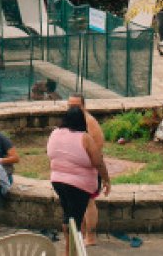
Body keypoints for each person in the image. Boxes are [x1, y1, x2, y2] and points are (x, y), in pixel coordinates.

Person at [48, 107, 103, 255]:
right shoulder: (84, 137)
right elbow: (98, 161)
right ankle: (72, 252)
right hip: (79, 186)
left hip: (58, 182)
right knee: (75, 221)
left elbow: (50, 154)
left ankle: (68, 250)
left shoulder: (55, 133)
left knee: (68, 216)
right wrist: (107, 179)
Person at [67, 94, 110, 246]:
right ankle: (83, 234)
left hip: (89, 168)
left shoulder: (89, 121)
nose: (72, 108)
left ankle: (91, 238)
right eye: (70, 105)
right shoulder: (75, 120)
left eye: (76, 105)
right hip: (78, 169)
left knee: (88, 201)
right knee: (80, 202)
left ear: (84, 106)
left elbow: (97, 146)